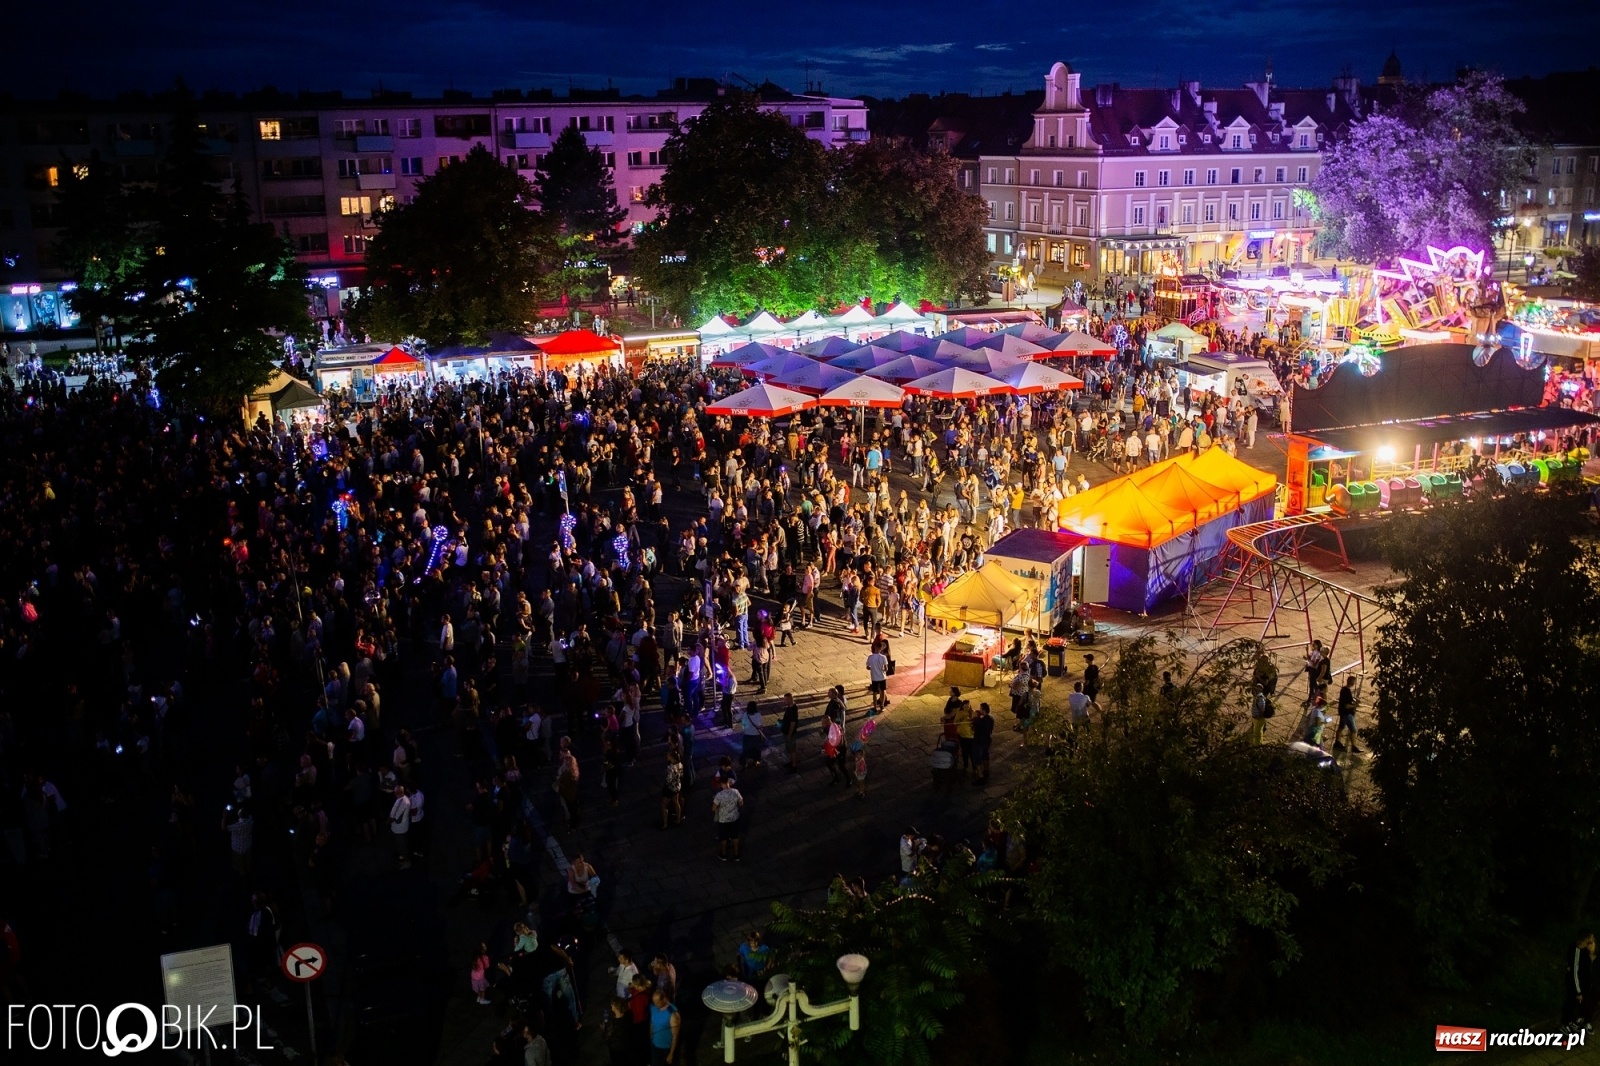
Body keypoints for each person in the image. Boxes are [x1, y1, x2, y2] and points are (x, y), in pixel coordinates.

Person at [1562, 930, 1596, 1030]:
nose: (1592, 942)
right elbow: (1574, 973)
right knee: (1570, 1003)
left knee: (1576, 1004)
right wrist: (1578, 991)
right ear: (1584, 940)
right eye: (1589, 941)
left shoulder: (1586, 950)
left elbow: (1589, 966)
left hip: (1583, 983)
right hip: (1575, 984)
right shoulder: (1575, 950)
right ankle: (1564, 1023)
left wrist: (1591, 952)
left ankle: (1570, 1021)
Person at [712, 776, 744, 863]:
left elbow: (714, 808)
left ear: (721, 784)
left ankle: (724, 855)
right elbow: (741, 803)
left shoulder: (719, 795)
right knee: (735, 836)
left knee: (723, 837)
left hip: (723, 819)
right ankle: (736, 855)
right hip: (734, 818)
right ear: (728, 782)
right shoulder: (735, 792)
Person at [649, 988, 681, 1066]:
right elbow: (652, 1022)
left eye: (657, 1002)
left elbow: (675, 1036)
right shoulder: (653, 1007)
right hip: (655, 1044)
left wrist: (671, 1054)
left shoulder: (672, 1014)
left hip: (666, 1047)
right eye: (654, 1002)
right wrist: (651, 1033)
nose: (655, 1004)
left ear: (664, 999)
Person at [1333, 675, 1362, 753]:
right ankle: (1354, 747)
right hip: (1347, 714)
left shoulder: (1343, 689)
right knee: (1353, 730)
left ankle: (1337, 743)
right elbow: (1347, 705)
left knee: (1341, 727)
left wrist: (1354, 700)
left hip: (1342, 712)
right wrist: (1355, 705)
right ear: (1352, 682)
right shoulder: (1347, 691)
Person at [779, 693, 800, 774]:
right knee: (790, 749)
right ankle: (792, 762)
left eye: (786, 700)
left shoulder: (792, 710)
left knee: (792, 749)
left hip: (790, 733)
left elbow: (793, 723)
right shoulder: (790, 708)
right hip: (787, 732)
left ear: (790, 699)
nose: (784, 701)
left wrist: (789, 734)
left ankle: (794, 766)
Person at [865, 645, 889, 712]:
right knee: (882, 691)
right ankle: (882, 706)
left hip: (874, 677)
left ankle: (875, 707)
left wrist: (873, 669)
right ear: (881, 649)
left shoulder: (870, 657)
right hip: (882, 677)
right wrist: (882, 670)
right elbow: (886, 669)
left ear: (875, 648)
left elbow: (867, 667)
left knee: (874, 692)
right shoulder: (883, 657)